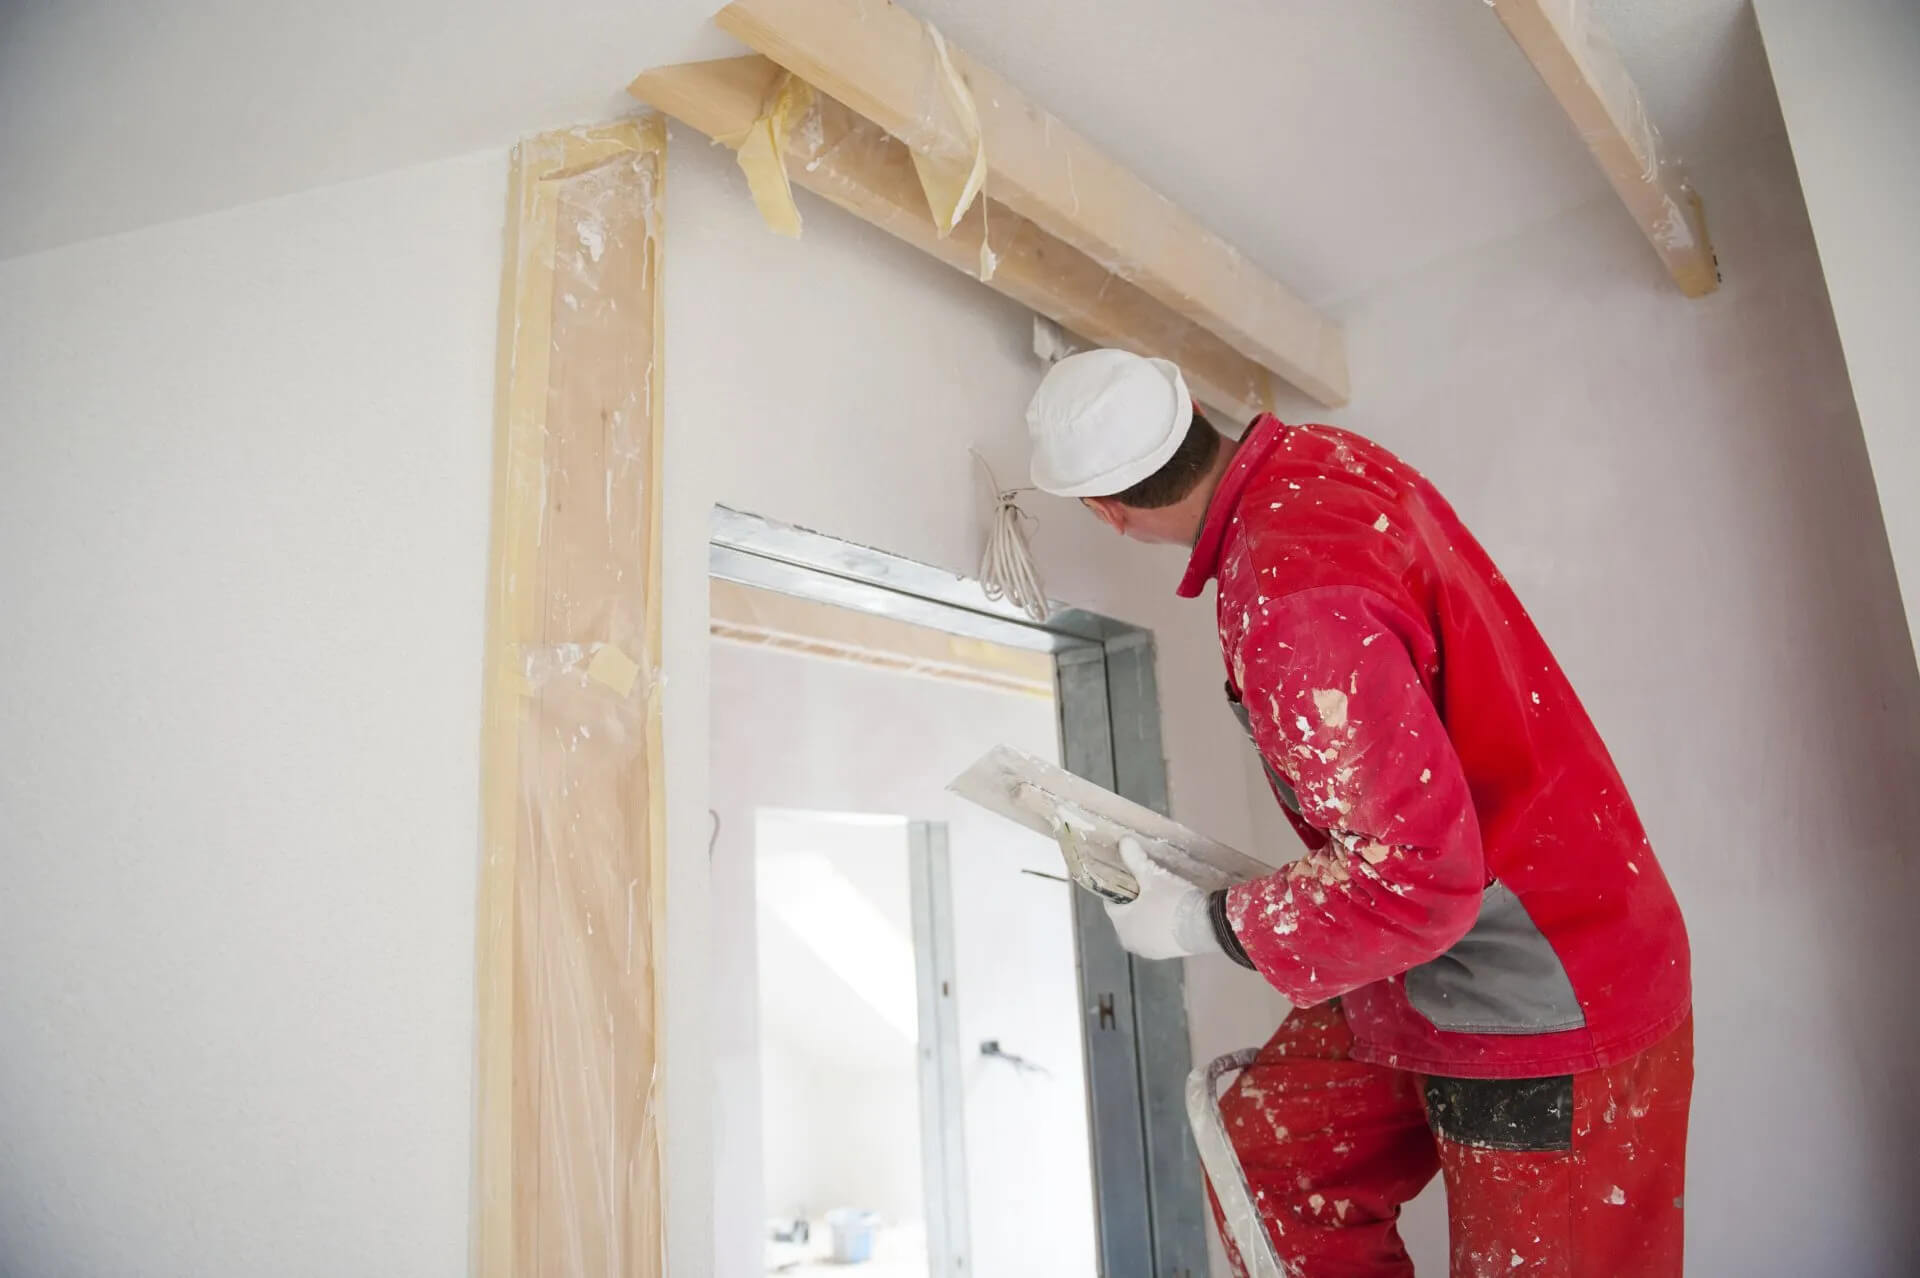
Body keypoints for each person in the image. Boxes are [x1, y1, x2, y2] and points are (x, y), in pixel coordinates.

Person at [1024, 349, 1693, 1277]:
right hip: (1457, 937)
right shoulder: (1321, 463)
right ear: (1191, 413)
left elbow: (1418, 881)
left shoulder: (1287, 603)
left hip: (1543, 981)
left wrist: (1195, 920)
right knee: (1271, 1158)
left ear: (1105, 509)